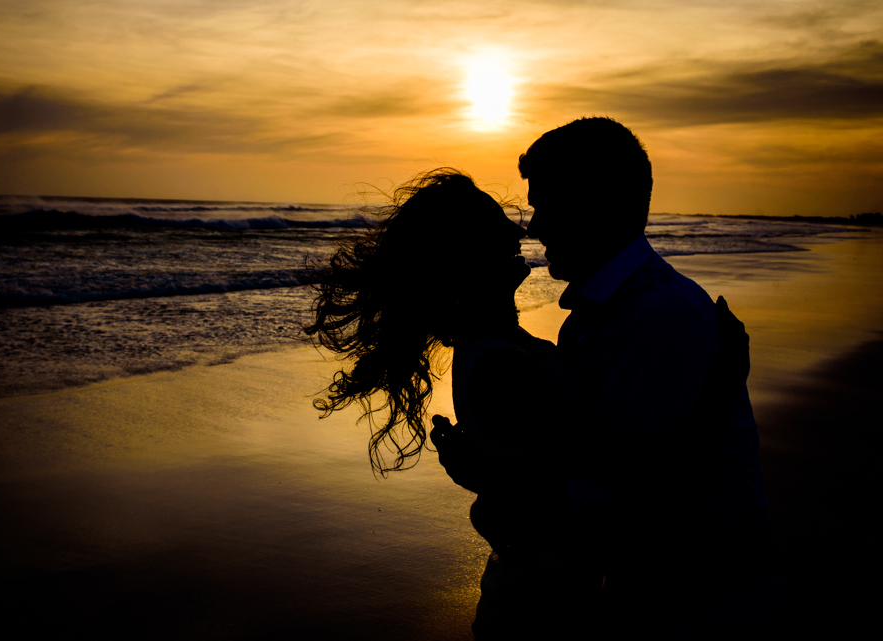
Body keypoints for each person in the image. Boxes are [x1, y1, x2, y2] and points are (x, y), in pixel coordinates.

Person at [434, 117, 779, 638]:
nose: (534, 227)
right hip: (647, 591)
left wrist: (498, 489)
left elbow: (621, 485)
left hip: (696, 603)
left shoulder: (659, 315)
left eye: (545, 205)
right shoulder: (596, 315)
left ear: (595, 206)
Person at [304, 169, 598, 638]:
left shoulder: (498, 346)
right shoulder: (498, 365)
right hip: (544, 612)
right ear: (463, 256)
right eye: (493, 224)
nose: (515, 229)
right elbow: (593, 483)